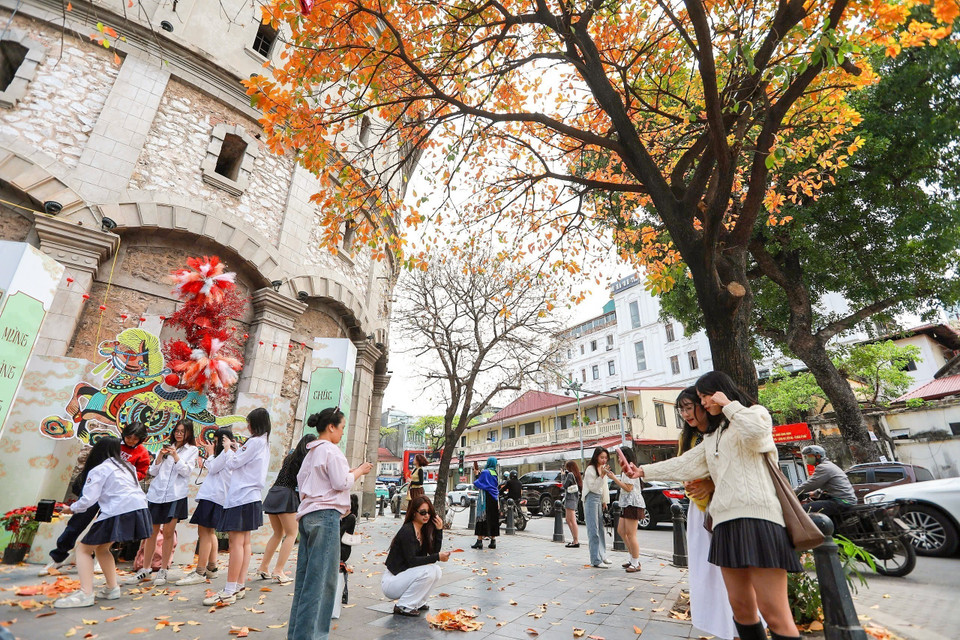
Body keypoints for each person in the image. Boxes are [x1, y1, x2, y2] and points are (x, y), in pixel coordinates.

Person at [627, 371, 802, 640]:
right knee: (741, 608)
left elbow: (757, 435)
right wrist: (642, 471)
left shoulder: (754, 413)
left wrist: (729, 405)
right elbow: (685, 463)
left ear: (720, 391)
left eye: (705, 397)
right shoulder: (713, 435)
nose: (704, 403)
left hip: (761, 520)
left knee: (773, 611)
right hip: (725, 524)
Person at [675, 386, 757, 640]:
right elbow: (681, 467)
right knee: (707, 572)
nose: (686, 414)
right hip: (700, 510)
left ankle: (744, 628)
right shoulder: (687, 437)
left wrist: (711, 483)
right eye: (681, 410)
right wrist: (689, 483)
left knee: (736, 571)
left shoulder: (724, 430)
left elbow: (738, 466)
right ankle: (723, 627)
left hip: (730, 508)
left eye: (689, 407)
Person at [287, 408, 373, 640]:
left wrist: (349, 473)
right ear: (331, 427)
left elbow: (310, 482)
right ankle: (314, 636)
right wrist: (359, 472)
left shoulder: (311, 452)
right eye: (342, 427)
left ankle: (298, 634)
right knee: (322, 582)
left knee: (306, 582)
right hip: (325, 517)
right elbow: (341, 482)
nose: (343, 433)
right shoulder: (331, 451)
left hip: (308, 515)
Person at [41, 422, 150, 577]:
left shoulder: (142, 452)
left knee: (107, 528)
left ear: (141, 439)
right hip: (95, 488)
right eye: (129, 437)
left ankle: (99, 559)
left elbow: (141, 473)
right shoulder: (111, 444)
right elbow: (95, 463)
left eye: (135, 439)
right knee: (77, 523)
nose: (131, 441)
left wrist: (122, 475)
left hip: (115, 495)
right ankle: (58, 557)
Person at [54, 437, 151, 608]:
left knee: (83, 550)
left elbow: (88, 500)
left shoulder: (100, 469)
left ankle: (85, 593)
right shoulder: (127, 466)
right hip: (139, 509)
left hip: (118, 510)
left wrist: (71, 509)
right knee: (102, 548)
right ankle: (112, 588)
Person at [203, 408, 273, 606]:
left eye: (249, 423)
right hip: (251, 497)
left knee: (235, 544)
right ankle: (239, 586)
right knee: (244, 542)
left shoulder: (254, 442)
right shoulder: (263, 443)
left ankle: (229, 590)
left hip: (241, 497)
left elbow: (233, 463)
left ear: (255, 424)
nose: (247, 426)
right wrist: (237, 448)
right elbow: (244, 460)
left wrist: (227, 449)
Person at [128, 419, 199, 586]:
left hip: (175, 495)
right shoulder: (167, 447)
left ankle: (163, 569)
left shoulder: (192, 450)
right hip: (156, 493)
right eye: (177, 431)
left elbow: (186, 471)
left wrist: (175, 456)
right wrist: (160, 456)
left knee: (168, 532)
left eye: (182, 431)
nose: (179, 434)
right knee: (151, 533)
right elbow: (152, 471)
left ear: (189, 433)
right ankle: (145, 569)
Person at [176, 427, 235, 586]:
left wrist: (210, 453)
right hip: (215, 497)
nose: (213, 445)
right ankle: (211, 567)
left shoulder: (226, 454)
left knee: (204, 533)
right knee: (209, 533)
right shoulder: (227, 455)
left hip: (213, 497)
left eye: (215, 442)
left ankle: (200, 571)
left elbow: (213, 467)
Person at [258, 433, 318, 584]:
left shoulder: (290, 456)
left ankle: (263, 567)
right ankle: (278, 570)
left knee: (278, 533)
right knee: (292, 533)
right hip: (287, 495)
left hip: (274, 492)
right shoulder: (306, 459)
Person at [382, 495, 450, 616]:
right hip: (392, 581)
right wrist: (438, 557)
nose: (427, 516)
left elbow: (434, 553)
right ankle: (404, 605)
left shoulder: (423, 530)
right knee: (428, 571)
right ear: (414, 513)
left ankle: (418, 602)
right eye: (423, 512)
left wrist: (439, 530)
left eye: (429, 512)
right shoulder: (407, 531)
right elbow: (412, 561)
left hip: (405, 576)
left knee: (436, 570)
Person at [795, 445, 856, 520]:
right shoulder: (828, 465)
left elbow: (811, 484)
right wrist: (811, 494)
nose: (807, 458)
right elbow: (827, 486)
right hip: (843, 500)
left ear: (818, 456)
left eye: (809, 456)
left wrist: (792, 492)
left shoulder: (823, 467)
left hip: (840, 501)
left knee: (803, 510)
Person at [608, 447, 645, 572]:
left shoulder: (629, 469)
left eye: (619, 457)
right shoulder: (625, 469)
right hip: (626, 503)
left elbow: (629, 488)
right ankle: (632, 558)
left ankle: (635, 562)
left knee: (630, 534)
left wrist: (614, 478)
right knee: (621, 531)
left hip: (632, 503)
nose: (618, 460)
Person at [583, 447, 612, 568]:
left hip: (598, 498)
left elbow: (604, 486)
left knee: (600, 529)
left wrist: (605, 500)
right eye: (601, 457)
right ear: (596, 457)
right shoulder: (590, 469)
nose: (604, 460)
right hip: (591, 498)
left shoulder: (602, 468)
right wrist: (602, 475)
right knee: (593, 529)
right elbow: (593, 487)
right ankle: (595, 559)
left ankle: (602, 554)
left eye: (606, 458)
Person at [470, 457, 499, 549]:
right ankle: (493, 541)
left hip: (485, 497)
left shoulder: (485, 472)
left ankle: (479, 541)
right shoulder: (495, 472)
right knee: (493, 519)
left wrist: (476, 474)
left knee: (482, 518)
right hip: (494, 498)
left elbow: (480, 483)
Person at [562, 461, 582, 548]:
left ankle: (576, 541)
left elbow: (564, 485)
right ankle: (574, 539)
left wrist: (563, 476)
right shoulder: (576, 474)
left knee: (572, 520)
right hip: (572, 498)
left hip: (571, 499)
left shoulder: (570, 475)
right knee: (568, 520)